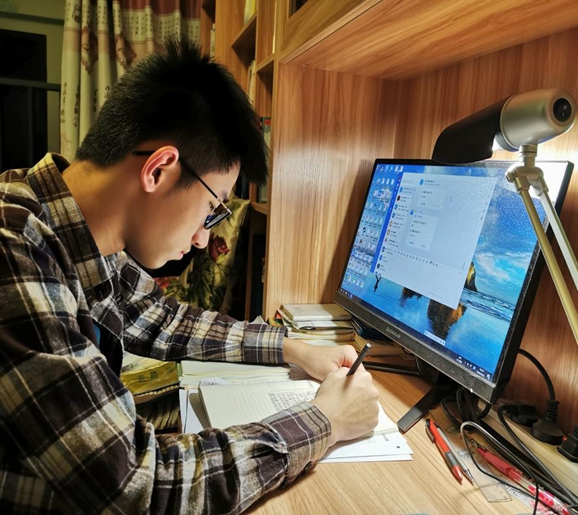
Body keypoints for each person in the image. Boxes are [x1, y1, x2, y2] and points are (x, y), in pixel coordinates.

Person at [0, 40, 379, 514]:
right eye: (212, 206)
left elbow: (161, 319)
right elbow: (138, 487)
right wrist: (326, 420)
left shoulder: (73, 229)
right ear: (158, 170)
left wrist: (292, 348)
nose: (203, 239)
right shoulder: (14, 249)